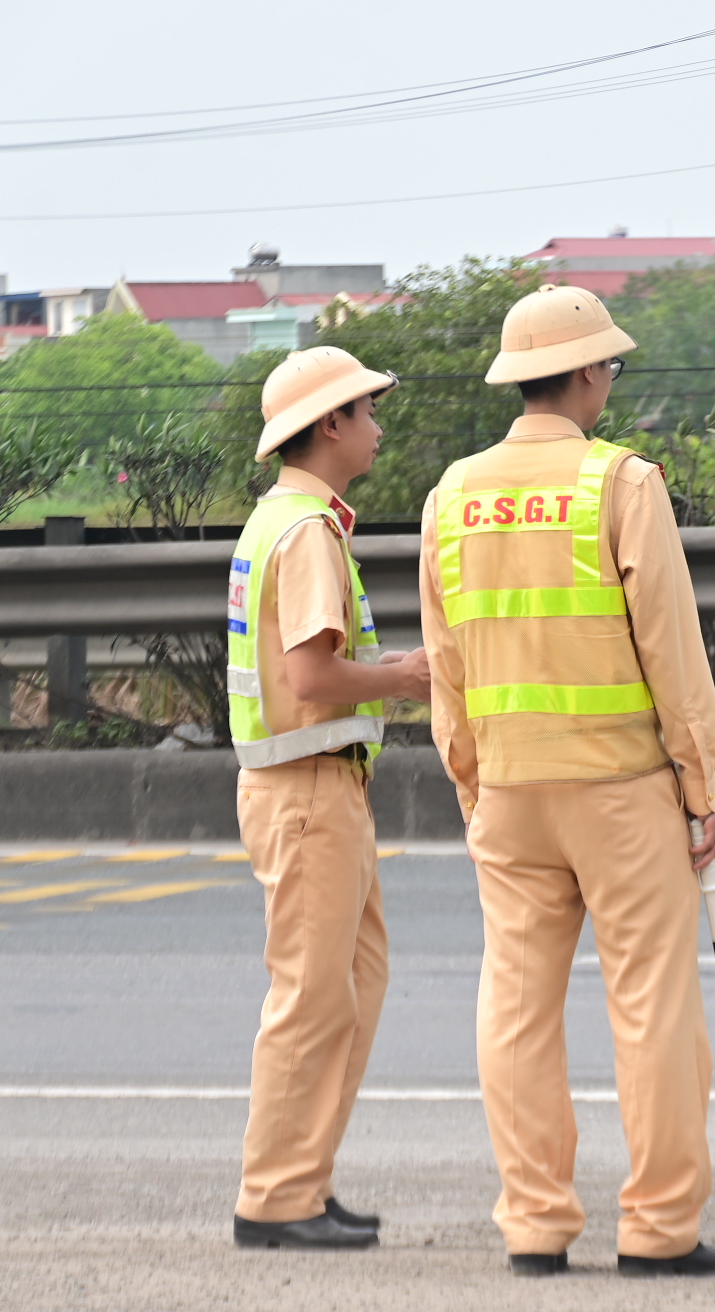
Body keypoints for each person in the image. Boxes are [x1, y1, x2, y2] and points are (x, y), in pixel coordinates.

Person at [418, 284, 715, 1277]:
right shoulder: (621, 483)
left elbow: (445, 663)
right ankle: (658, 1229)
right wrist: (702, 780)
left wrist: (472, 781)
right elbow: (671, 649)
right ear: (590, 373)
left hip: (509, 793)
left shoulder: (451, 494)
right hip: (620, 788)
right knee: (651, 1006)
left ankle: (536, 1224)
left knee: (514, 1006)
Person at [228, 346, 433, 1249]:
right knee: (316, 998)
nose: (379, 427)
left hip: (309, 787)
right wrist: (405, 677)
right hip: (309, 789)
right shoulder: (306, 531)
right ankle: (276, 1200)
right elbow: (311, 677)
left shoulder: (282, 520)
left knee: (351, 986)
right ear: (330, 427)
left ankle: (303, 1181)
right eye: (367, 411)